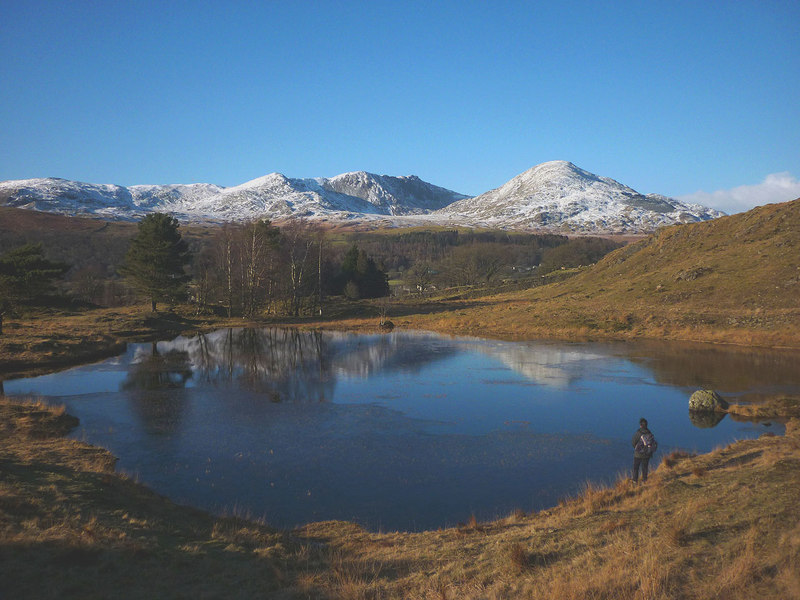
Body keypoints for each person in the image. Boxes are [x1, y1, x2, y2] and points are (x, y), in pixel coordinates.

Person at [632, 418, 655, 483]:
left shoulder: (638, 433)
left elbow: (633, 442)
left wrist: (636, 448)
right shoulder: (649, 433)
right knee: (645, 468)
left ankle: (635, 481)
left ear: (640, 425)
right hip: (647, 454)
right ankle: (644, 481)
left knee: (636, 468)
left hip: (638, 454)